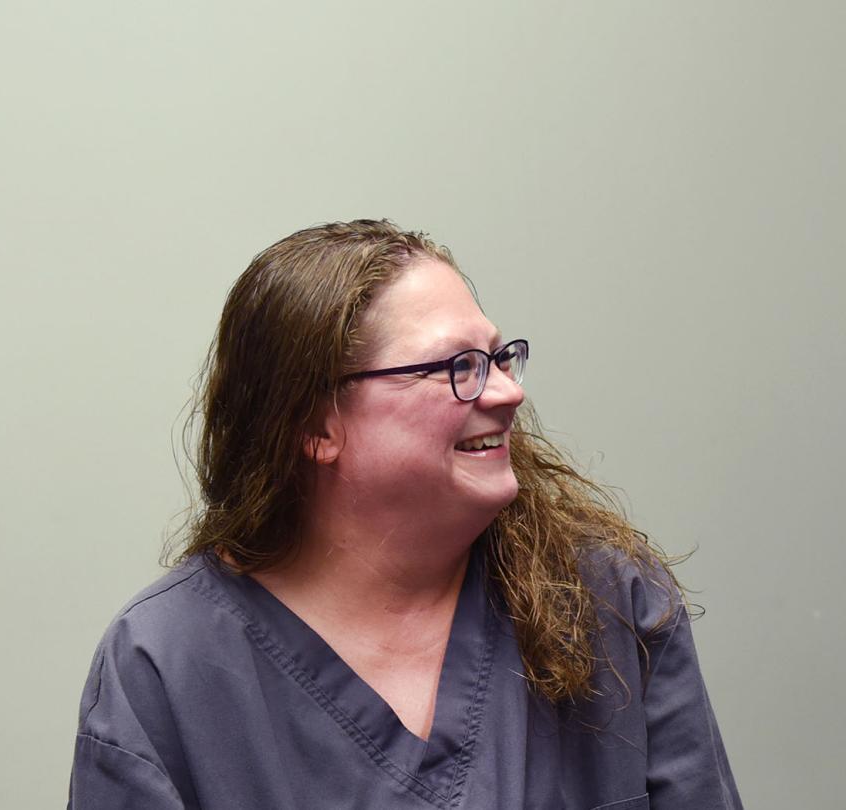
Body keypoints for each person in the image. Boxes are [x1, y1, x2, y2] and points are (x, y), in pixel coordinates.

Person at [70, 220, 742, 809]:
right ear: (314, 424)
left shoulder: (609, 606)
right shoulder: (166, 666)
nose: (508, 392)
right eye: (460, 366)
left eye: (501, 357)